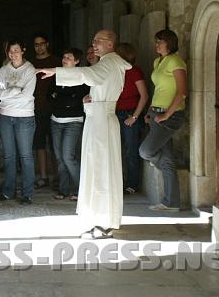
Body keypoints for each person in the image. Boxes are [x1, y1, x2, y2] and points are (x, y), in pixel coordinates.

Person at [36, 29, 130, 239]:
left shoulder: (108, 63)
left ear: (110, 44)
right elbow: (98, 84)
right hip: (100, 120)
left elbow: (87, 74)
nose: (94, 43)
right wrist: (92, 99)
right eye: (94, 39)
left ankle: (103, 223)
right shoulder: (110, 63)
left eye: (99, 40)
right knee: (98, 169)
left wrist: (56, 71)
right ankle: (102, 220)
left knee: (100, 170)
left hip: (101, 124)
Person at [140, 29, 187, 212]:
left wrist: (167, 115)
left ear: (170, 43)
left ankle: (161, 165)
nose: (157, 44)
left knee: (145, 151)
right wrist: (150, 110)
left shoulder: (176, 61)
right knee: (167, 161)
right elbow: (159, 89)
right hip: (156, 113)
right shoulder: (157, 61)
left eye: (160, 41)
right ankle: (171, 203)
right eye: (156, 41)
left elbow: (182, 91)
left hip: (170, 115)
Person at [0, 38, 37, 204]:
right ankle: (8, 191)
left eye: (16, 50)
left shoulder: (29, 70)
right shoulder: (4, 70)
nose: (13, 54)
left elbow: (27, 95)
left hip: (25, 117)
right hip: (5, 115)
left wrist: (8, 92)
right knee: (9, 156)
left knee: (25, 156)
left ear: (23, 50)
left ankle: (27, 193)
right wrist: (16, 90)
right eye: (11, 51)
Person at [50, 49, 89, 201]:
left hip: (73, 121)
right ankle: (64, 190)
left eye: (69, 57)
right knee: (60, 158)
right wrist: (68, 101)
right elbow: (50, 96)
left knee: (68, 157)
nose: (64, 59)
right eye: (64, 56)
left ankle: (82, 190)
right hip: (56, 120)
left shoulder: (82, 77)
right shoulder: (57, 75)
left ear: (77, 61)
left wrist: (62, 100)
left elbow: (79, 100)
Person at [115, 42, 149, 195]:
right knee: (115, 150)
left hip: (130, 113)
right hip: (115, 113)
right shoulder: (115, 71)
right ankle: (117, 182)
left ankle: (132, 184)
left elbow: (144, 96)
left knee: (130, 150)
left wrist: (135, 116)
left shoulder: (134, 71)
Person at [30, 33, 62, 190]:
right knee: (39, 144)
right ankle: (43, 177)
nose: (39, 47)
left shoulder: (56, 62)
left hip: (55, 108)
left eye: (42, 43)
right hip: (36, 108)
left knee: (55, 144)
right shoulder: (30, 64)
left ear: (47, 44)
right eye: (36, 44)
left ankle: (57, 176)